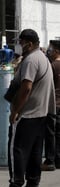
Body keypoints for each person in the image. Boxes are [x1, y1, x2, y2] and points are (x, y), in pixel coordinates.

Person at [0, 29, 55, 187]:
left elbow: (27, 87)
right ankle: (32, 184)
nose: (19, 45)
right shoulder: (43, 58)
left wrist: (15, 110)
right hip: (41, 113)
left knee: (17, 150)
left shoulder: (30, 60)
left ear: (30, 43)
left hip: (28, 113)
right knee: (34, 152)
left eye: (21, 42)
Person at [42, 40, 60, 171]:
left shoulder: (52, 66)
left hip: (54, 104)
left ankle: (50, 160)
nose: (49, 52)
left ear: (56, 52)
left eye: (51, 49)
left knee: (50, 133)